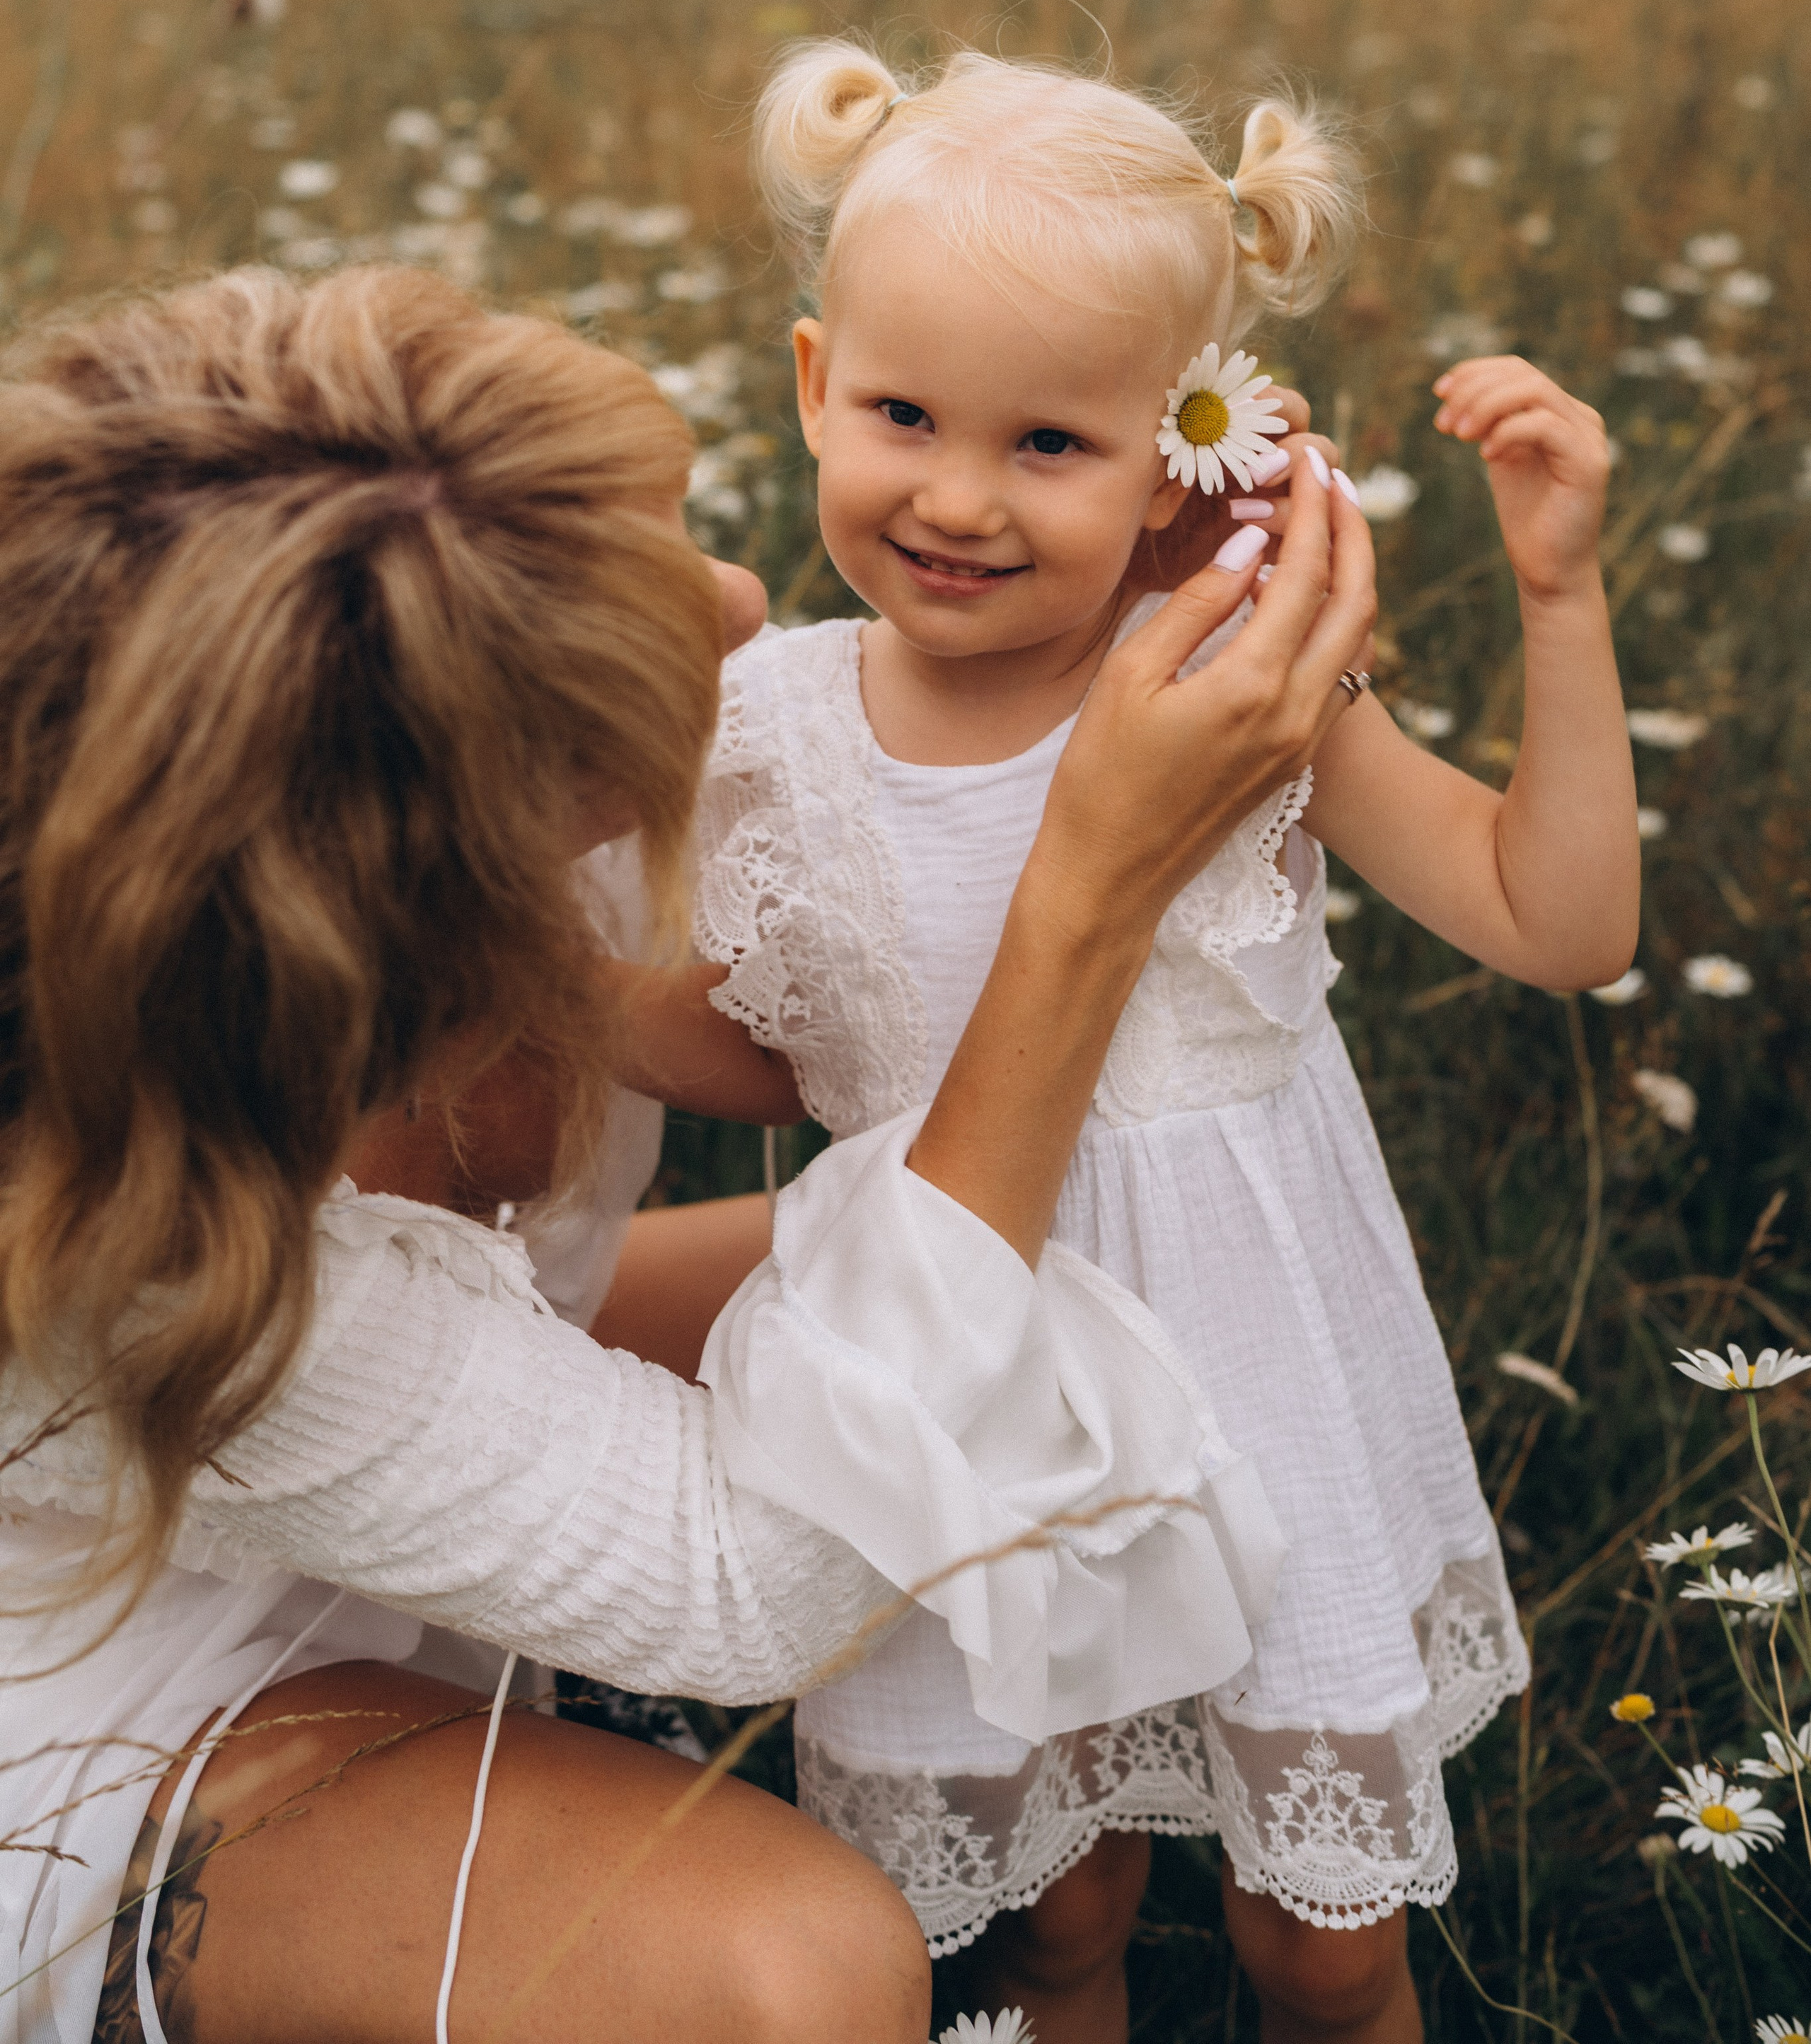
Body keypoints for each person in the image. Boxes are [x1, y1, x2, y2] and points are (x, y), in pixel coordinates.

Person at [0, 262, 1375, 2044]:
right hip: (118, 1674)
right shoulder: (116, 1249)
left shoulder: (446, 811)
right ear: (429, 866)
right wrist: (1088, 889)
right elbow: (758, 1587)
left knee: (1117, 1259)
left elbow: (872, 1054)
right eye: (639, 611)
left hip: (378, 1430)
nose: (735, 601)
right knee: (780, 1976)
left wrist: (1109, 586)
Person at [676, 42, 1641, 2044]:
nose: (953, 495)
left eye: (1051, 444)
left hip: (1252, 1367)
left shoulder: (1220, 678)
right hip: (967, 1380)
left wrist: (1560, 596)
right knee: (1060, 1906)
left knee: (1326, 1940)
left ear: (1191, 454)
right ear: (807, 384)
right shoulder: (762, 732)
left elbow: (1562, 925)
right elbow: (757, 1047)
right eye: (902, 414)